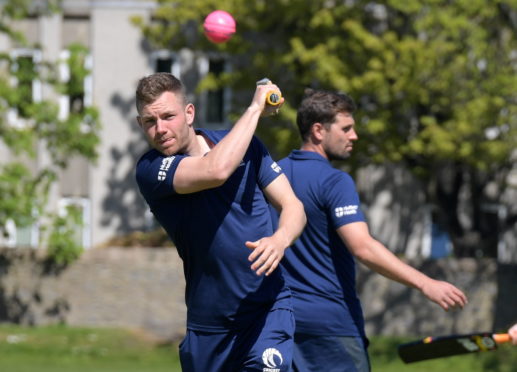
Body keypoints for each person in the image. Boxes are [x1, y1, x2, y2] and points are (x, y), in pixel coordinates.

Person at [270, 89, 468, 372]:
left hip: (279, 323)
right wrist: (426, 283)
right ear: (318, 131)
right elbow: (362, 246)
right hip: (331, 325)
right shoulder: (335, 181)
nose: (354, 136)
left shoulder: (272, 174)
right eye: (346, 128)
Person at [134, 73, 306, 371]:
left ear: (189, 113)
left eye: (168, 116)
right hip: (208, 328)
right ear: (141, 125)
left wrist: (280, 240)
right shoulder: (152, 170)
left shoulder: (246, 145)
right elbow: (216, 170)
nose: (160, 129)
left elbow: (294, 206)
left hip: (266, 310)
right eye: (150, 121)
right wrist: (254, 109)